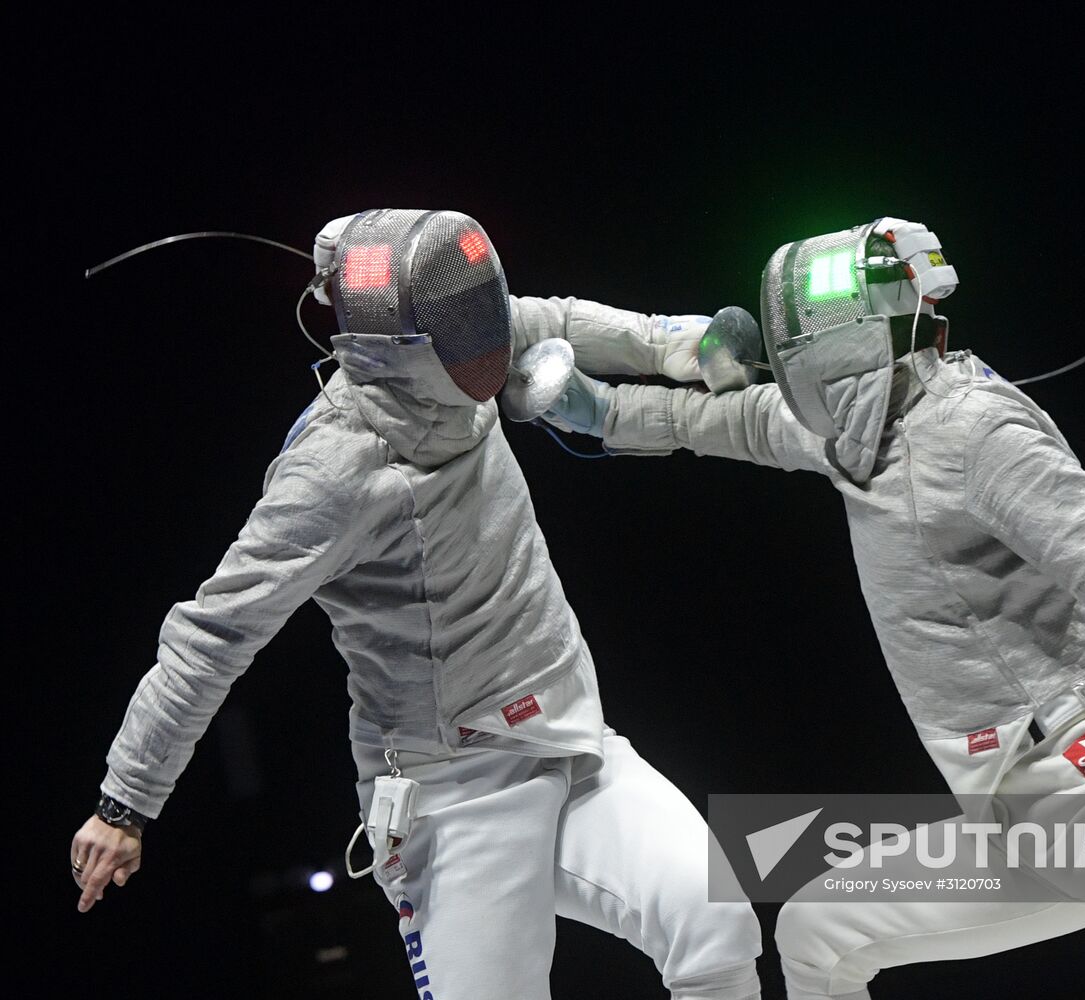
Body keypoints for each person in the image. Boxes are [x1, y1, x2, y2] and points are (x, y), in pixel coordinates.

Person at [540, 216, 1085, 999]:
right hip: (1016, 821)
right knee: (817, 932)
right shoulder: (856, 430)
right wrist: (600, 412)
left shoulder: (977, 432)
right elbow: (726, 419)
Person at [69, 209, 762, 1000]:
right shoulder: (334, 470)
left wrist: (689, 344)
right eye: (465, 320)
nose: (493, 339)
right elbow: (213, 635)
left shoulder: (463, 341)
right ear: (394, 344)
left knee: (716, 920)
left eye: (484, 308)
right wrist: (124, 802)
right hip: (455, 795)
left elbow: (563, 320)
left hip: (573, 747)